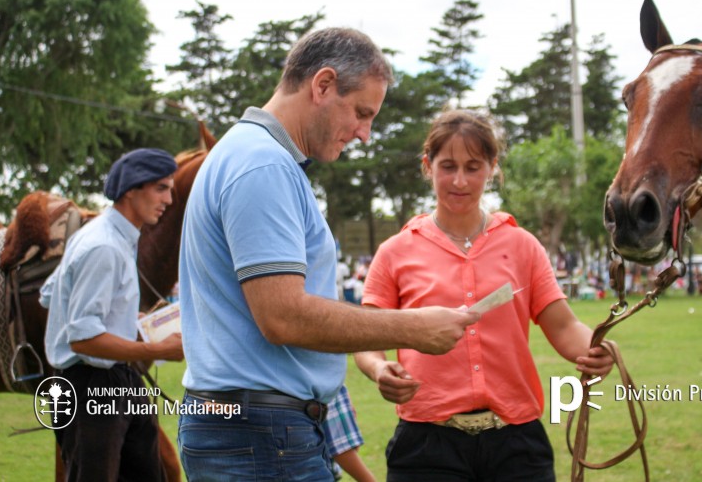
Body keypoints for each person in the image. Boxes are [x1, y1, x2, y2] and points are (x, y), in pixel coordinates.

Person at [177, 27, 479, 481]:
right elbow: (283, 315)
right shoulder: (263, 164)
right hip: (262, 434)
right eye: (361, 113)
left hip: (255, 429)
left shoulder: (251, 156)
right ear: (322, 85)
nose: (365, 134)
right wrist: (412, 327)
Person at [354, 110, 614, 482]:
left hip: (517, 445)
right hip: (426, 447)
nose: (459, 180)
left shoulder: (522, 246)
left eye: (473, 167)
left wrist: (596, 349)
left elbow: (564, 325)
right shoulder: (395, 252)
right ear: (428, 167)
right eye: (448, 166)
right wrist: (379, 369)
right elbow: (367, 338)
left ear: (492, 167)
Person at [40, 148, 185, 482]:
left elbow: (52, 294)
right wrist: (158, 350)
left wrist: (123, 313)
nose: (169, 198)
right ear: (132, 188)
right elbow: (83, 337)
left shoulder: (110, 236)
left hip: (116, 379)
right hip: (90, 383)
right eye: (161, 188)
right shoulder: (103, 245)